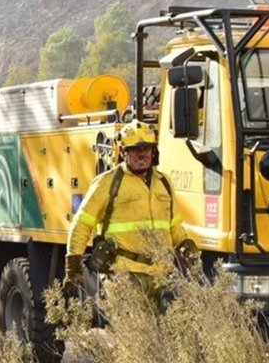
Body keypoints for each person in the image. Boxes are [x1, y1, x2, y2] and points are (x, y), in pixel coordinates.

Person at [64, 121, 195, 303]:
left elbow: (174, 225)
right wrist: (73, 266)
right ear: (123, 152)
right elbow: (82, 224)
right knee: (130, 322)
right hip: (123, 275)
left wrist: (185, 244)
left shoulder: (164, 183)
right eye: (134, 149)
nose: (141, 154)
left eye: (146, 149)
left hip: (161, 274)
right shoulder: (107, 183)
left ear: (153, 152)